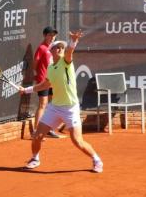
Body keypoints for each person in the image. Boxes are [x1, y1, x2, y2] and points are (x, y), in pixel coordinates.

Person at [20, 30, 104, 173]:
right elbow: (45, 85)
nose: (60, 49)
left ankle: (96, 160)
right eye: (57, 47)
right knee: (37, 136)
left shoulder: (67, 63)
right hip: (55, 108)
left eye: (62, 47)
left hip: (70, 108)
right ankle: (35, 158)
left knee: (77, 141)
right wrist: (26, 90)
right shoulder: (51, 68)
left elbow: (70, 51)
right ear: (51, 50)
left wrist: (73, 41)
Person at [34, 26, 64, 139]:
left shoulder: (54, 49)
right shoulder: (41, 48)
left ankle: (49, 129)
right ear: (45, 36)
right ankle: (36, 131)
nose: (52, 37)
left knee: (52, 106)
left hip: (53, 80)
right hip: (43, 80)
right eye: (50, 35)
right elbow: (35, 63)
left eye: (54, 35)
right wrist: (39, 75)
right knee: (43, 105)